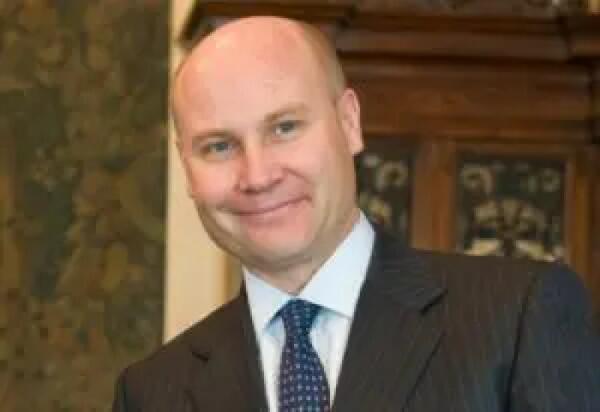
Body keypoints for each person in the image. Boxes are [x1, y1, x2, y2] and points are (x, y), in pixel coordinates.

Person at [112, 16, 600, 412]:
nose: (257, 176)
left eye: (284, 128)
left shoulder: (517, 318)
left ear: (349, 123)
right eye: (219, 146)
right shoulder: (151, 393)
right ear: (187, 167)